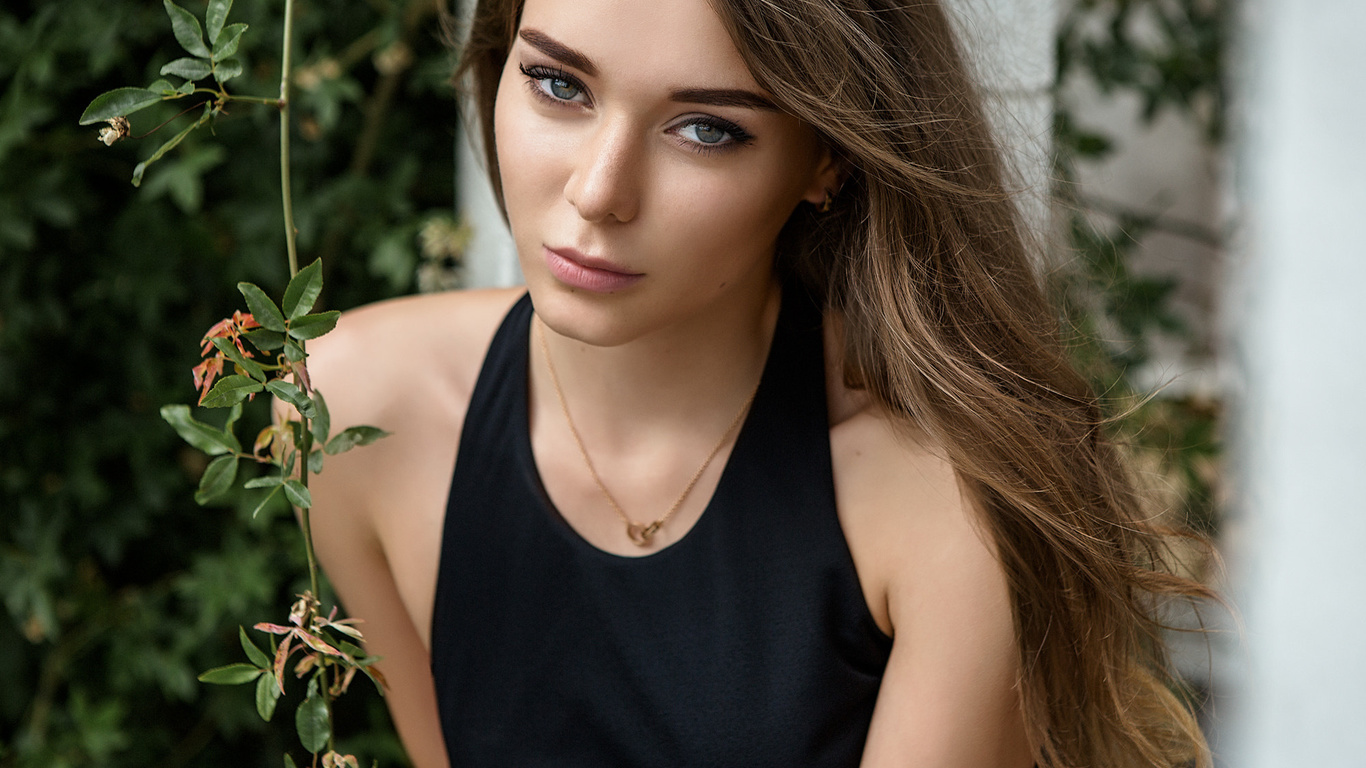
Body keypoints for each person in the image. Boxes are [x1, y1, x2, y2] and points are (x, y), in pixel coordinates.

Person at [302, 0, 1215, 765]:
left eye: (707, 129)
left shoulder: (941, 511)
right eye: (558, 84)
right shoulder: (350, 409)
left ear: (828, 159)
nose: (598, 191)